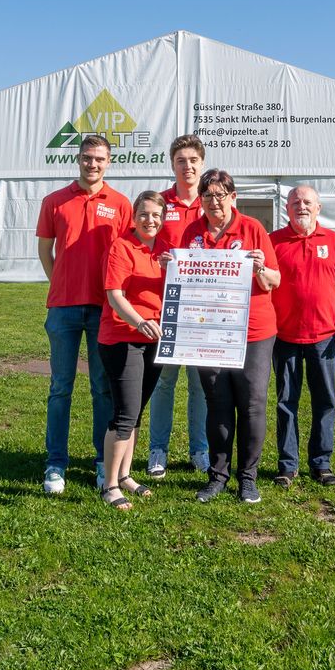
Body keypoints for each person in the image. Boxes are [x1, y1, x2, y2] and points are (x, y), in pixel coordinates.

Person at [176, 169, 281, 504]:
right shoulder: (192, 232)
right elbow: (183, 278)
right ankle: (218, 476)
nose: (214, 201)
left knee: (251, 404)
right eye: (207, 195)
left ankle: (247, 478)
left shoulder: (252, 228)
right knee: (217, 403)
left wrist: (261, 267)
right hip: (208, 331)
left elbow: (274, 280)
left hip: (253, 331)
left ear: (233, 197)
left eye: (221, 194)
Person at [36, 134, 133, 495]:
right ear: (78, 159)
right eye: (87, 158)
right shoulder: (55, 201)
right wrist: (60, 282)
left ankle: (100, 461)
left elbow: (126, 255)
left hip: (104, 309)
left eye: (100, 159)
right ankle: (55, 463)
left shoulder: (121, 204)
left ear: (109, 162)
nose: (93, 164)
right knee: (60, 388)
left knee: (101, 389)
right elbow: (46, 250)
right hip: (63, 308)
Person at [269, 185, 335, 487]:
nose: (301, 207)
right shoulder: (274, 242)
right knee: (286, 402)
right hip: (284, 338)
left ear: (318, 208)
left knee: (325, 401)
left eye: (307, 202)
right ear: (287, 208)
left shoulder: (333, 241)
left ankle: (321, 463)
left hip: (323, 339)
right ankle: (287, 465)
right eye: (295, 202)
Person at [97, 191, 169, 509]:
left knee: (136, 413)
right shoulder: (122, 247)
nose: (149, 220)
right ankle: (109, 484)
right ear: (134, 216)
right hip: (122, 338)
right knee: (124, 415)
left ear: (162, 218)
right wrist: (140, 322)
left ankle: (126, 475)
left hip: (155, 341)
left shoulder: (166, 252)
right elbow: (115, 294)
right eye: (143, 214)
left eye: (155, 215)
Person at [147, 134, 209, 479]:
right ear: (172, 165)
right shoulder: (161, 202)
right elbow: (144, 243)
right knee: (164, 382)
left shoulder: (213, 202)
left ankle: (200, 449)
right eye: (180, 161)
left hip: (203, 309)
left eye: (193, 161)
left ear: (201, 163)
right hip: (167, 307)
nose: (187, 166)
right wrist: (159, 261)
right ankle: (158, 449)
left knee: (200, 384)